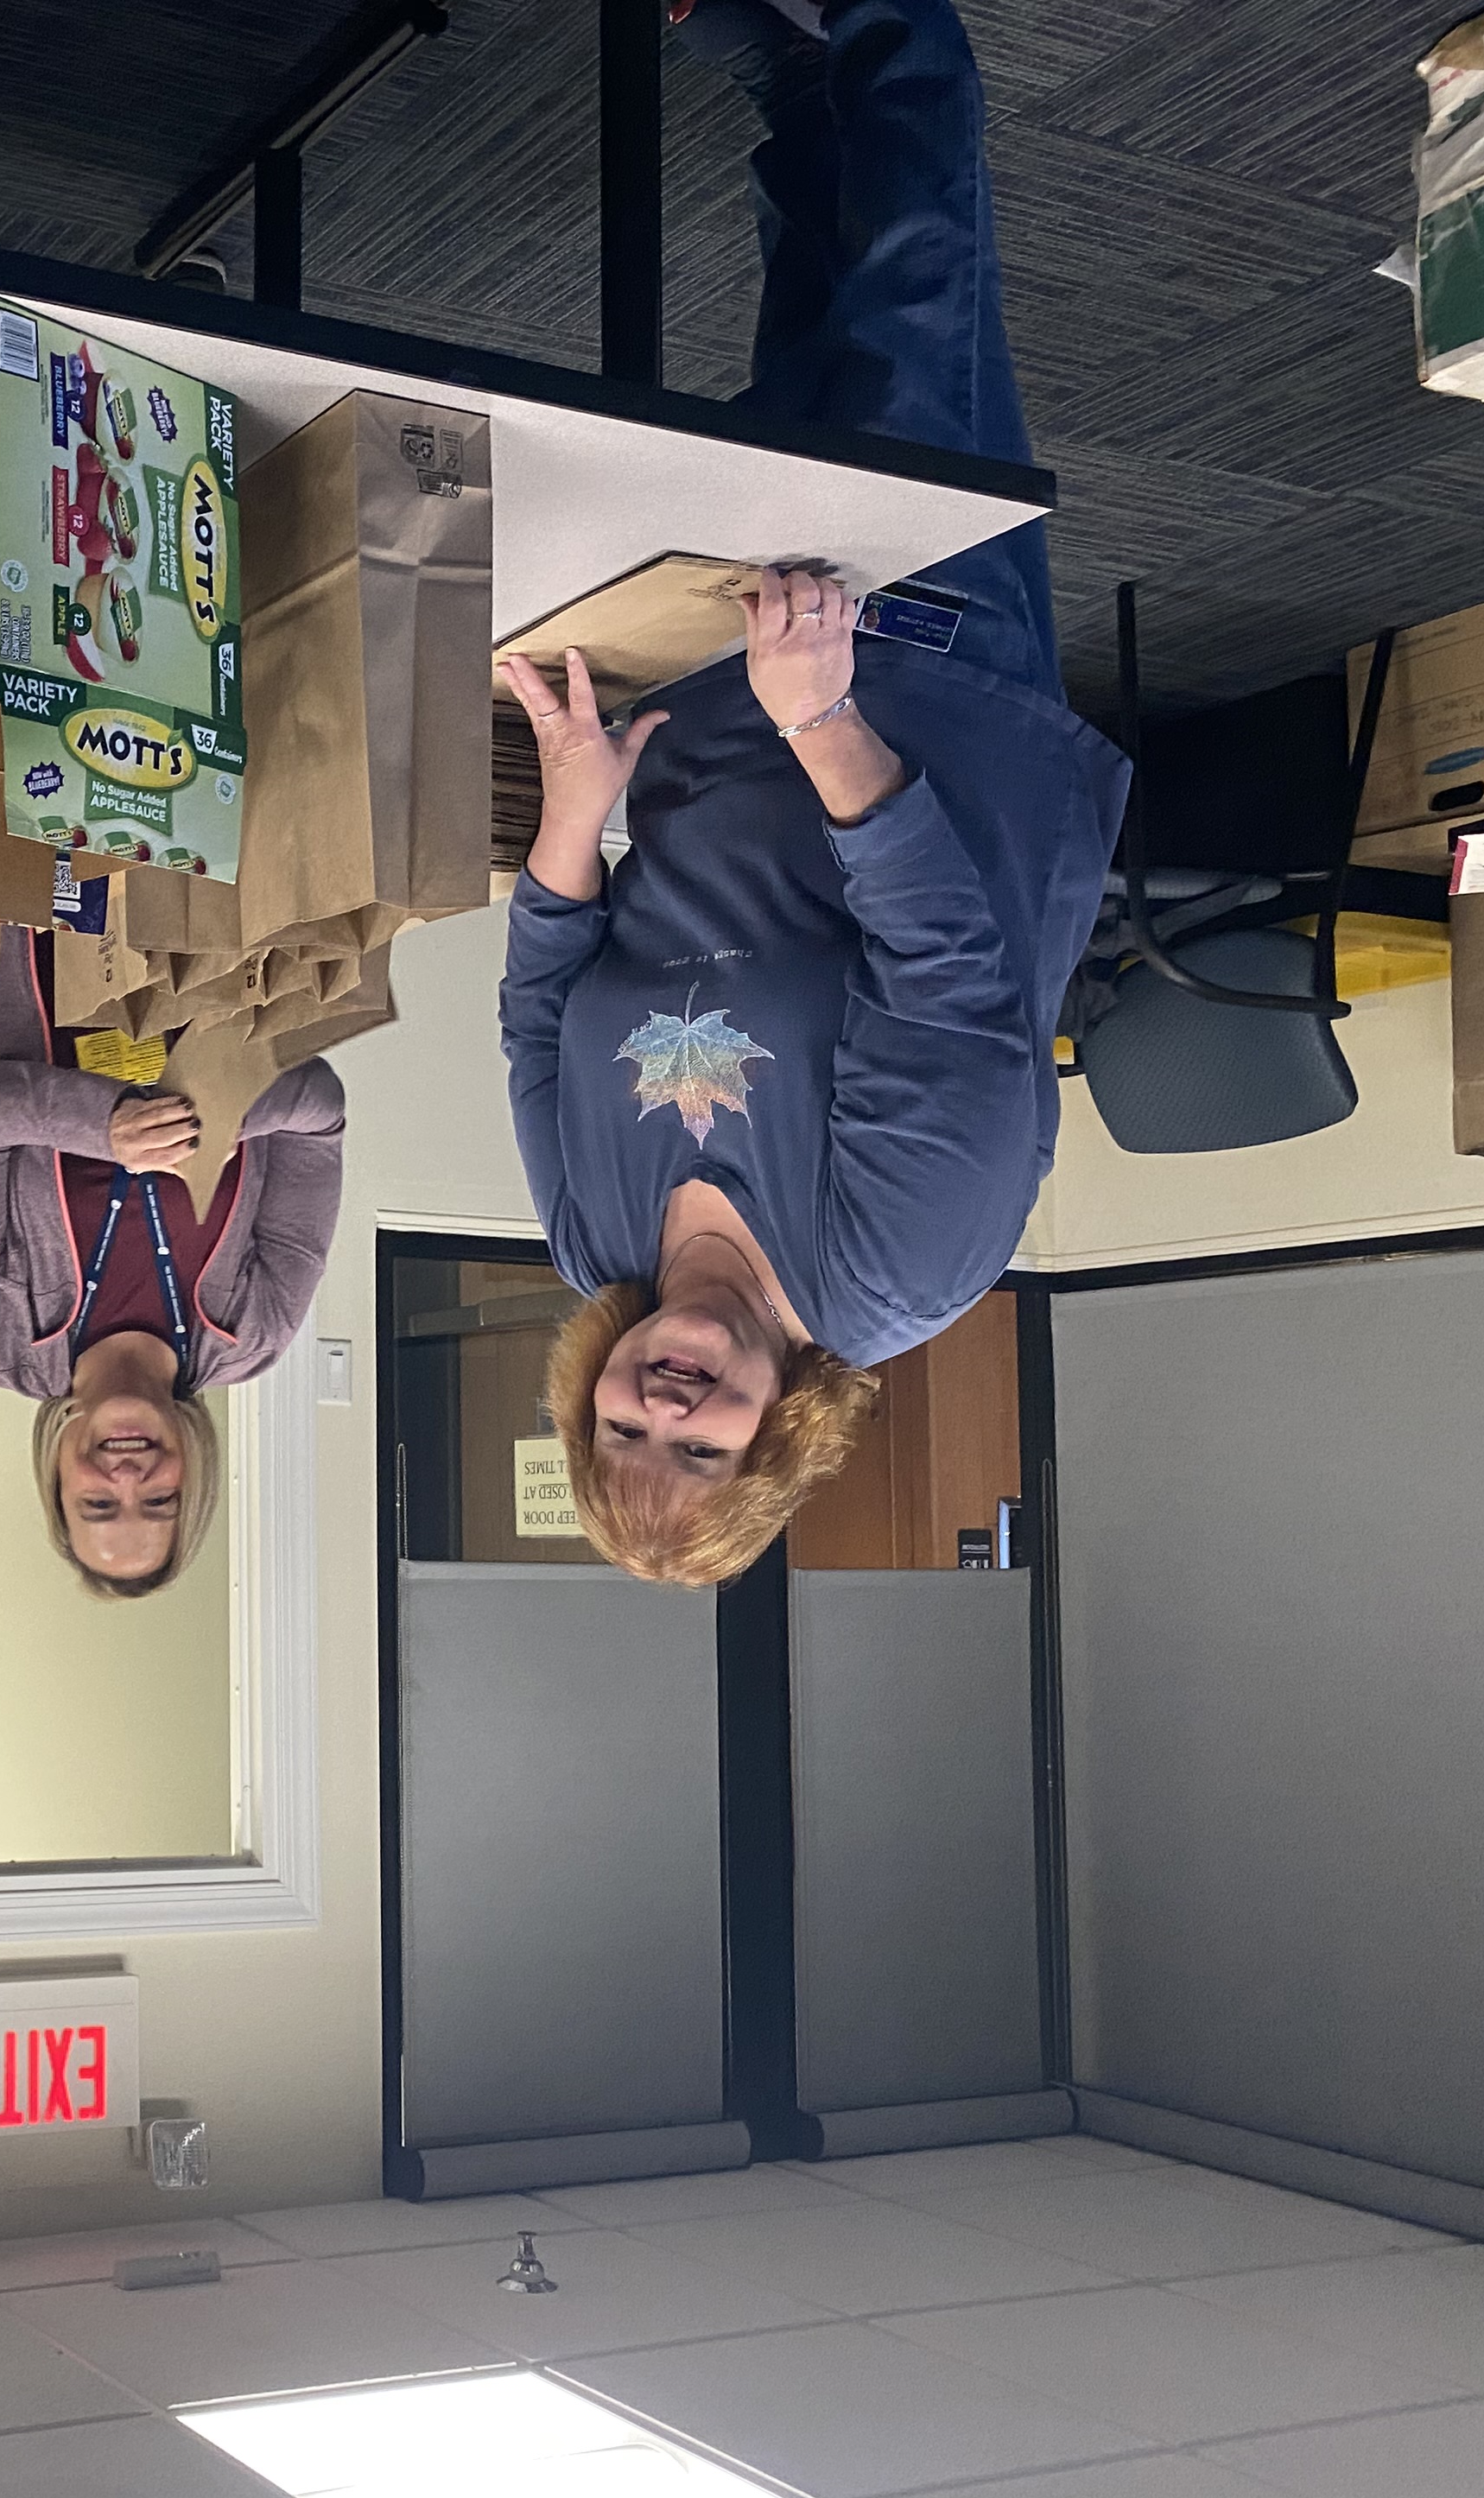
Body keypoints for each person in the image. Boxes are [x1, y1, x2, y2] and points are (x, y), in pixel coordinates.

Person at [498, 0, 1130, 1585]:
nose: (666, 1405)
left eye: (625, 1434)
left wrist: (575, 806)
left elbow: (534, 1006)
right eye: (700, 1447)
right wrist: (827, 715)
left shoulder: (597, 1246)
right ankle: (889, 29)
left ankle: (796, 75)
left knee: (795, 384)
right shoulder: (891, 1270)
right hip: (911, 700)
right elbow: (951, 974)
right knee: (917, 310)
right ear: (776, 1438)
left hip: (725, 715)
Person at [0, 927, 346, 1598]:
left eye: (97, 1505)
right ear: (192, 1485)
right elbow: (321, 1109)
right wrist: (224, 1110)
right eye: (160, 1502)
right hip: (199, 933)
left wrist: (107, 1128)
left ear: (57, 1479)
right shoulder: (255, 1333)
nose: (127, 1481)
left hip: (19, 932)